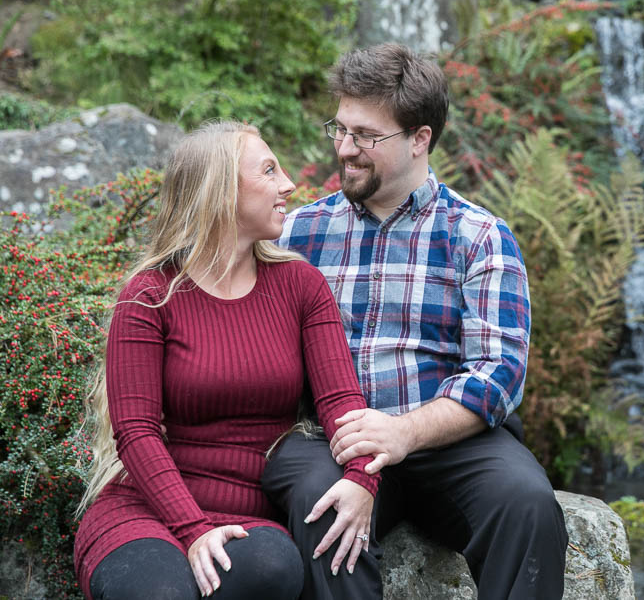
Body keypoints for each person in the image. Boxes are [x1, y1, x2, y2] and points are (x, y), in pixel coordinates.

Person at [263, 43, 568, 600]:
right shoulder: (297, 235)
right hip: (334, 439)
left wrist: (405, 432)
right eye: (340, 128)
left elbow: (498, 373)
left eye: (366, 136)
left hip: (445, 444)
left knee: (527, 504)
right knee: (320, 505)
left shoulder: (478, 236)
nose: (345, 149)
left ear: (419, 138)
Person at [73, 121, 379, 600]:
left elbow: (343, 404)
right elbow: (135, 431)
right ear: (221, 191)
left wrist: (363, 480)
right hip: (146, 512)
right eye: (269, 170)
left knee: (273, 571)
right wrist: (192, 529)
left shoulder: (302, 288)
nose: (288, 185)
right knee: (160, 593)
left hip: (249, 519)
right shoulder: (150, 295)